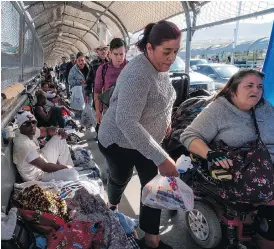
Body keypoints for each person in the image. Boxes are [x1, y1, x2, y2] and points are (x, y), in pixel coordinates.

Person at [98, 21, 181, 249]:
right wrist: (161, 157)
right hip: (118, 141)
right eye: (167, 52)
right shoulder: (138, 74)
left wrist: (167, 120)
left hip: (144, 140)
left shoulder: (159, 67)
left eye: (176, 51)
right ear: (149, 49)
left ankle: (151, 239)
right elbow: (125, 121)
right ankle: (112, 205)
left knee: (152, 186)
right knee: (120, 177)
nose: (172, 57)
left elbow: (163, 98)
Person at [180, 69, 274, 248]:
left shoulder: (265, 107)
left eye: (260, 86)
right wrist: (210, 153)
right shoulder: (218, 110)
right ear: (233, 90)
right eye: (249, 86)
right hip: (241, 172)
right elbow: (188, 136)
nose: (256, 90)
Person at [13, 111, 79, 182]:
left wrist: (58, 130)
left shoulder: (26, 131)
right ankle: (70, 169)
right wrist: (65, 168)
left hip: (42, 160)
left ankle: (70, 167)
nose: (32, 126)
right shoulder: (23, 145)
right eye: (27, 124)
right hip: (38, 178)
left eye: (33, 122)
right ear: (20, 126)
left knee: (59, 137)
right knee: (73, 174)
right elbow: (45, 167)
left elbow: (46, 131)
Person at [94, 38, 128, 125]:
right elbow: (97, 90)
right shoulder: (102, 69)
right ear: (110, 54)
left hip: (128, 111)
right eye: (116, 54)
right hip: (109, 110)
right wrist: (98, 111)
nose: (119, 57)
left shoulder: (131, 68)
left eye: (121, 54)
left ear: (125, 53)